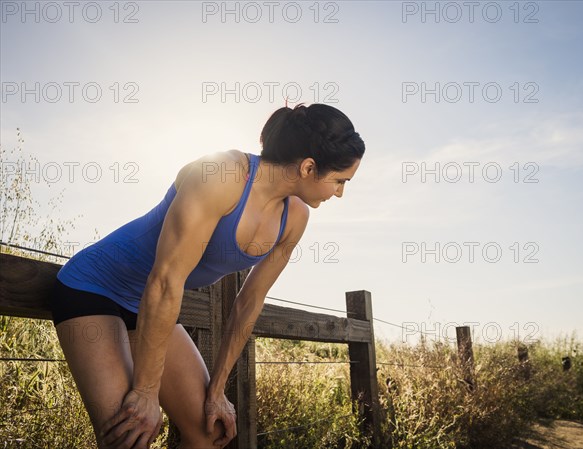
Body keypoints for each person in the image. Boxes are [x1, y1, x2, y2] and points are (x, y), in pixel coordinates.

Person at [49, 102, 365, 449]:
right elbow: (165, 281)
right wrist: (145, 391)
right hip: (96, 288)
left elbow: (249, 303)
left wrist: (217, 390)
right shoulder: (221, 174)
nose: (340, 192)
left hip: (149, 308)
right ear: (308, 167)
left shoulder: (295, 218)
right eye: (339, 181)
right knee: (129, 436)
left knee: (210, 433)